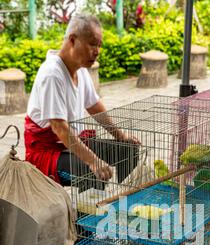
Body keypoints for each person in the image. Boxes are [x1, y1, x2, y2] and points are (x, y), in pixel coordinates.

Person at [24, 13, 140, 190]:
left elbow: (95, 107)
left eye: (99, 45)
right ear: (72, 40)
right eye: (92, 44)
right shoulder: (52, 73)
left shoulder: (81, 70)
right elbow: (59, 127)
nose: (97, 51)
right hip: (47, 154)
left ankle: (120, 200)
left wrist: (121, 136)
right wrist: (93, 161)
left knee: (127, 150)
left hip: (72, 143)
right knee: (91, 170)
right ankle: (85, 216)